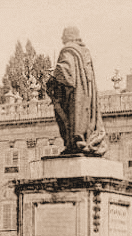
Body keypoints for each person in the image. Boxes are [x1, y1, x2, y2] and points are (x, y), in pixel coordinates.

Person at [45, 26, 107, 157]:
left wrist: (51, 80)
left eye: (63, 35)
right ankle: (85, 140)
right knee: (86, 118)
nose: (62, 38)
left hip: (75, 95)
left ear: (68, 35)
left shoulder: (68, 50)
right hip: (87, 95)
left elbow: (66, 71)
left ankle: (75, 143)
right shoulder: (84, 51)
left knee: (74, 119)